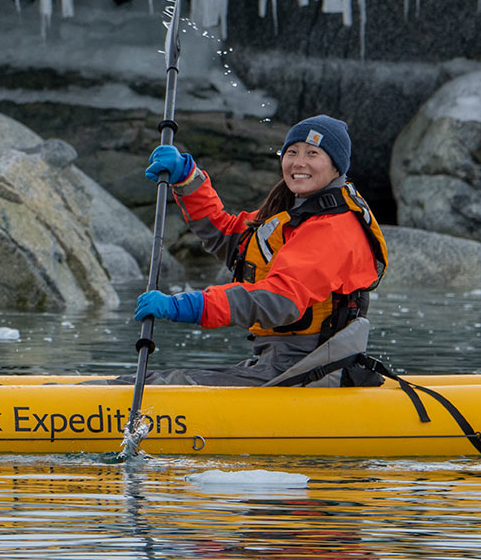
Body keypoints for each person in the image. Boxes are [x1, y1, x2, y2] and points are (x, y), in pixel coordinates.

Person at [133, 114, 388, 386]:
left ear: (336, 167)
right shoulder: (293, 214)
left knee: (163, 385)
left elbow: (278, 300)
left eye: (312, 153)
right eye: (292, 152)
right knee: (152, 381)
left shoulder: (333, 228)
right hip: (279, 364)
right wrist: (187, 180)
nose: (299, 162)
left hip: (310, 371)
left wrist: (188, 305)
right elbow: (229, 238)